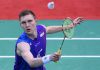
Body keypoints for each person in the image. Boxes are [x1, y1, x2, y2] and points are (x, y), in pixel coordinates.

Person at [14, 9, 83, 70]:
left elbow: (48, 29)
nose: (27, 25)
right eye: (23, 22)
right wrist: (49, 57)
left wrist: (68, 26)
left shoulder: (40, 29)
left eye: (30, 21)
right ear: (20, 25)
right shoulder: (23, 44)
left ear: (35, 21)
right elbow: (32, 62)